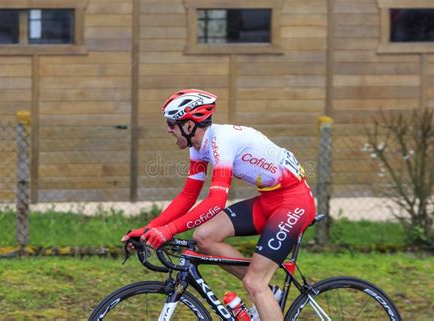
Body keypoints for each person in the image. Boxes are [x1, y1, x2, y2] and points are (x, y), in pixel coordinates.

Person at [122, 89, 316, 321]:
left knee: (255, 283)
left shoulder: (221, 142)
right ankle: (269, 294)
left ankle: (262, 288)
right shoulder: (199, 147)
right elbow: (188, 196)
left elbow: (216, 202)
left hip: (294, 203)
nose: (168, 129)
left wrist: (168, 230)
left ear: (189, 125)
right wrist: (150, 229)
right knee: (204, 236)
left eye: (172, 124)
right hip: (269, 200)